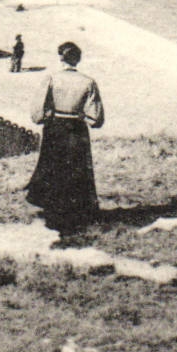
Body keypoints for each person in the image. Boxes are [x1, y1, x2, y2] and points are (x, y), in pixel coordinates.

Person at [26, 40, 105, 233]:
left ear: (61, 58)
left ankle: (53, 214)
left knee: (53, 167)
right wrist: (81, 116)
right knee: (76, 170)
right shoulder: (88, 82)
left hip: (55, 129)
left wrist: (48, 116)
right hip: (77, 129)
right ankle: (76, 214)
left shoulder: (52, 78)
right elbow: (96, 118)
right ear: (78, 59)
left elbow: (37, 112)